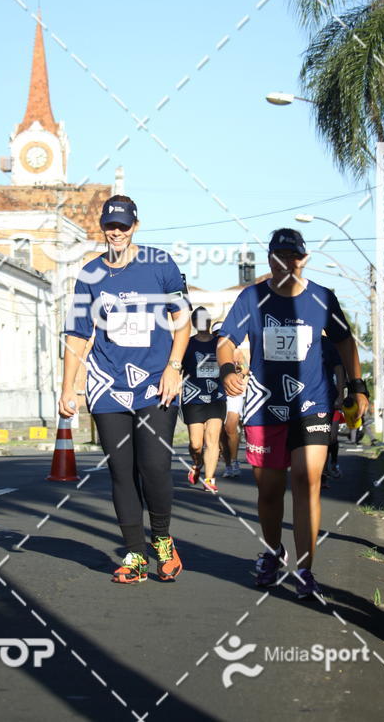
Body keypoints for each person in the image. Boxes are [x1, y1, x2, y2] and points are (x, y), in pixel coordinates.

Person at [218, 228, 369, 599]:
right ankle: (274, 552)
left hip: (312, 403)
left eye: (293, 256)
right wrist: (226, 371)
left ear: (304, 260)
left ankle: (304, 569)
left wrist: (357, 386)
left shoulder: (321, 299)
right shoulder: (252, 299)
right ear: (269, 259)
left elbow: (345, 340)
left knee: (306, 480)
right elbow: (226, 341)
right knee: (269, 491)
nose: (287, 262)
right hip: (265, 406)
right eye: (279, 256)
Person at [60, 195, 190, 584]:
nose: (116, 233)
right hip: (106, 385)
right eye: (110, 227)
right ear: (102, 228)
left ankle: (163, 542)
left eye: (123, 226)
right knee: (121, 470)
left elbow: (181, 320)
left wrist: (174, 367)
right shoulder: (90, 275)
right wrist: (69, 388)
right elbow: (78, 335)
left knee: (153, 467)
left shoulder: (160, 265)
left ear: (135, 226)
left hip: (155, 383)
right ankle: (134, 554)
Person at [181, 306, 227, 492]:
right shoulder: (187, 344)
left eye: (205, 318)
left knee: (213, 438)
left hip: (217, 396)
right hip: (193, 397)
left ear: (209, 321)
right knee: (196, 443)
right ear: (193, 323)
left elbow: (232, 360)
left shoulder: (219, 343)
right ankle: (197, 463)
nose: (202, 322)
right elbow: (176, 367)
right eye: (198, 319)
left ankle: (210, 479)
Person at [321, 334, 345, 486]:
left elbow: (339, 368)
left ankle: (329, 467)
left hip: (328, 399)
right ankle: (318, 474)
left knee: (329, 437)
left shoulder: (328, 344)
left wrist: (341, 394)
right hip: (301, 400)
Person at [221, 345, 248, 477]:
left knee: (230, 428)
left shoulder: (237, 352)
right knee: (220, 431)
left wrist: (240, 374)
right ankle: (227, 465)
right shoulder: (212, 351)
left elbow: (246, 368)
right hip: (217, 391)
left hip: (234, 392)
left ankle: (234, 461)